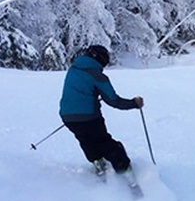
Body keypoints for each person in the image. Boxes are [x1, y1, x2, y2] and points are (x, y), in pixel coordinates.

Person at [59, 45, 143, 178]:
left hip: (67, 117)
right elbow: (114, 101)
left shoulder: (73, 69)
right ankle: (125, 171)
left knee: (86, 140)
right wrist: (134, 103)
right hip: (89, 118)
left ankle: (99, 166)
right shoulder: (97, 76)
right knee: (104, 142)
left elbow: (79, 91)